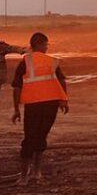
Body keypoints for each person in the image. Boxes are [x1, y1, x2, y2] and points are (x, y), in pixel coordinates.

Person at [11, 32, 69, 184]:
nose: (47, 48)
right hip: (50, 105)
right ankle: (36, 173)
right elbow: (62, 81)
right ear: (41, 44)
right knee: (41, 137)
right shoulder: (52, 61)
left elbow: (16, 87)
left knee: (30, 138)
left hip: (33, 105)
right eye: (46, 45)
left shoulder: (25, 62)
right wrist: (64, 100)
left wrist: (16, 109)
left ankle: (24, 177)